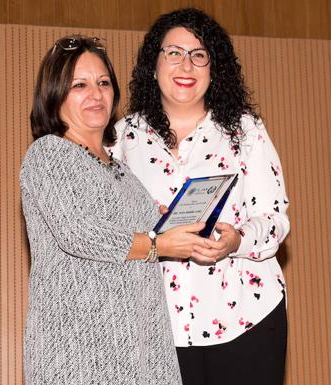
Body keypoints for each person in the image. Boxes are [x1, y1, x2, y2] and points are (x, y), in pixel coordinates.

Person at [109, 9, 291, 385]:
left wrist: (236, 240)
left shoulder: (246, 132)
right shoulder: (121, 139)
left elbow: (275, 220)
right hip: (153, 327)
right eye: (173, 52)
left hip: (246, 316)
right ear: (153, 63)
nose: (186, 65)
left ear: (214, 68)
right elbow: (106, 231)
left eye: (199, 55)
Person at [20, 35, 208, 385]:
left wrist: (177, 226)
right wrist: (158, 244)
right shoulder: (47, 154)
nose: (96, 93)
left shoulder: (123, 171)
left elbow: (144, 235)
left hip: (139, 351)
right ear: (55, 94)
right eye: (80, 85)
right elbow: (79, 232)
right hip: (75, 353)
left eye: (103, 83)